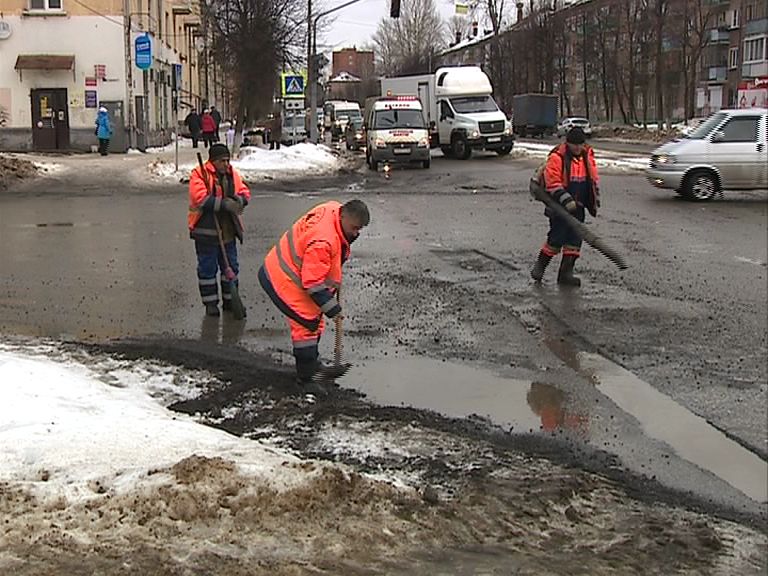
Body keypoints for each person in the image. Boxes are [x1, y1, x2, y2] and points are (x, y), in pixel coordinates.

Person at [258, 199, 370, 392]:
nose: (356, 234)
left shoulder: (333, 209)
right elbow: (312, 282)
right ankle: (306, 379)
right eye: (354, 228)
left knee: (315, 320)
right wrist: (332, 308)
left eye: (359, 229)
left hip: (294, 270)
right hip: (287, 279)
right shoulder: (323, 241)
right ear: (343, 216)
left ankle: (313, 364)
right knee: (306, 326)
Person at [530, 126, 600, 287]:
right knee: (556, 238)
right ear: (568, 143)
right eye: (575, 144)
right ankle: (540, 267)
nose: (578, 148)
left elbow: (593, 179)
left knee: (574, 241)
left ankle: (565, 274)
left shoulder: (587, 156)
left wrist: (594, 200)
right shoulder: (557, 157)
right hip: (559, 207)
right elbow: (552, 182)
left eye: (580, 144)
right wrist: (566, 200)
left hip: (579, 207)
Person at [188, 143, 251, 317]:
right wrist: (223, 204)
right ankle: (211, 304)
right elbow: (199, 198)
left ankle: (230, 300)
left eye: (227, 160)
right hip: (205, 231)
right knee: (207, 269)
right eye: (222, 161)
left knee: (230, 267)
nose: (226, 164)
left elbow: (244, 191)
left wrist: (239, 200)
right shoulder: (200, 174)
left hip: (228, 231)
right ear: (213, 161)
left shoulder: (232, 174)